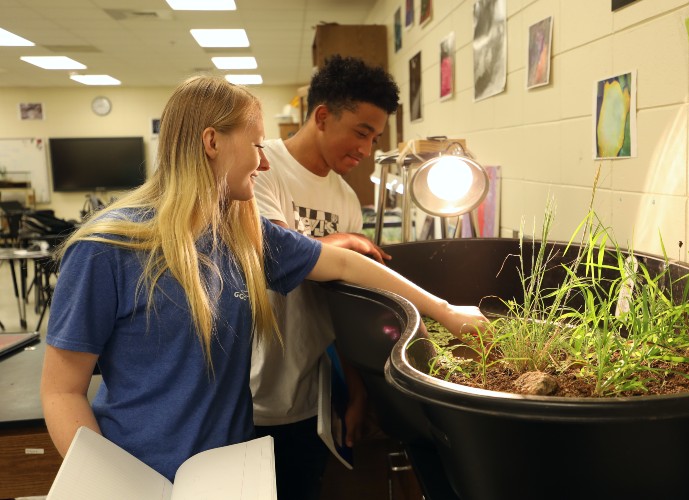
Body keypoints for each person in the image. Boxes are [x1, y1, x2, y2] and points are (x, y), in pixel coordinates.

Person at [39, 75, 487, 483]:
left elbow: (345, 265)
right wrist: (114, 485)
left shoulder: (243, 234)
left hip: (229, 475)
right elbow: (61, 391)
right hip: (138, 473)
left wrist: (446, 312)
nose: (265, 163)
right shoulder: (106, 248)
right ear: (212, 141)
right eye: (257, 146)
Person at [250, 55, 399, 499]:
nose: (366, 150)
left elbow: (343, 306)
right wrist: (341, 242)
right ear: (321, 116)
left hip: (304, 396)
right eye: (361, 132)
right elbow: (273, 255)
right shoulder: (259, 168)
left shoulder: (346, 199)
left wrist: (356, 392)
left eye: (374, 138)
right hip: (243, 391)